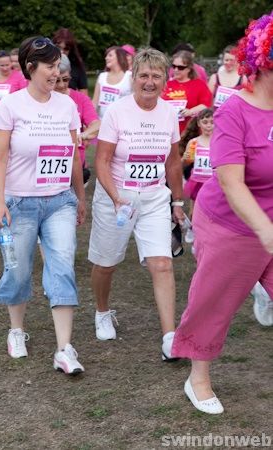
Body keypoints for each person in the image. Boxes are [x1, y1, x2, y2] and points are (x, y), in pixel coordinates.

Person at [172, 12, 273, 414]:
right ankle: (197, 377)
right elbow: (231, 181)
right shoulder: (234, 112)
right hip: (232, 225)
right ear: (265, 62)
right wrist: (265, 229)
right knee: (214, 301)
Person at [0, 36, 86, 375]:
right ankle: (16, 329)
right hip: (20, 202)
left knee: (62, 266)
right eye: (49, 65)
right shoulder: (10, 106)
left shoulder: (68, 106)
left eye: (59, 64)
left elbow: (73, 156)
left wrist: (80, 196)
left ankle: (64, 348)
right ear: (31, 68)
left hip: (60, 200)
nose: (56, 71)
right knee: (18, 270)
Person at [88, 48, 184, 361]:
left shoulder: (169, 113)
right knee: (107, 263)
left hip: (155, 197)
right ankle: (102, 311)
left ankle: (170, 337)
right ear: (134, 79)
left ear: (165, 81)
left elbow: (172, 162)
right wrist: (116, 198)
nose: (150, 81)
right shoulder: (117, 111)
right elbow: (101, 160)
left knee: (162, 262)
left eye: (157, 76)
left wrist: (178, 201)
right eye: (144, 75)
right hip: (117, 197)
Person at [54, 54, 100, 184]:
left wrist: (83, 135)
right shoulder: (42, 99)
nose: (62, 85)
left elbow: (96, 124)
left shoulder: (80, 98)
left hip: (76, 163)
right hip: (47, 161)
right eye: (56, 80)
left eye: (66, 79)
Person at [181, 108, 214, 243]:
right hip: (197, 181)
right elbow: (184, 164)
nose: (209, 125)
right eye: (205, 122)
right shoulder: (194, 142)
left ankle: (209, 234)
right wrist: (186, 160)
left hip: (213, 183)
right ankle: (192, 229)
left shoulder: (220, 141)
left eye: (212, 122)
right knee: (194, 210)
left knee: (213, 211)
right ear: (199, 123)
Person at [162, 51, 212, 134]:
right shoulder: (167, 84)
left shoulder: (199, 85)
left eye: (180, 67)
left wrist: (190, 111)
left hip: (190, 131)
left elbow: (206, 105)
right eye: (174, 66)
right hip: (168, 131)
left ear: (189, 68)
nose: (176, 70)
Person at [92, 46, 132, 120]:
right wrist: (91, 120)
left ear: (120, 57)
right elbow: (95, 102)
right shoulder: (102, 76)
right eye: (106, 56)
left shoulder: (130, 76)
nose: (106, 58)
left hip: (122, 122)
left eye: (110, 55)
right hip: (102, 121)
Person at [52, 28, 88, 95]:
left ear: (71, 50)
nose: (61, 51)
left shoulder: (77, 66)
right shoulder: (45, 64)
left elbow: (84, 94)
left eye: (66, 49)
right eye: (58, 47)